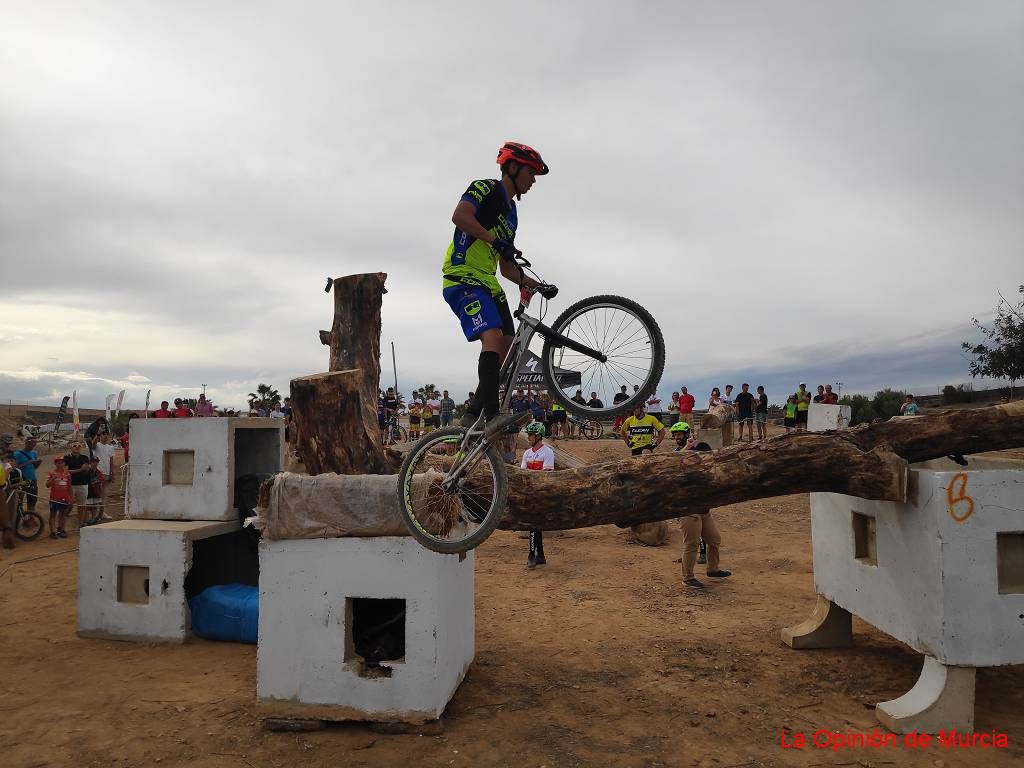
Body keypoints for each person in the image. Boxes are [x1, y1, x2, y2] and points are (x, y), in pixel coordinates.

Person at [443, 142, 551, 435]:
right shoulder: (484, 188)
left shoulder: (512, 215)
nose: (533, 181)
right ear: (513, 167)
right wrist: (494, 240)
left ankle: (474, 411)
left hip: (489, 282)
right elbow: (460, 217)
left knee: (506, 346)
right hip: (462, 276)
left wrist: (533, 284)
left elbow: (506, 267)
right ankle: (492, 415)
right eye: (531, 173)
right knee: (490, 336)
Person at [678, 441, 731, 589]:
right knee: (691, 544)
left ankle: (713, 569)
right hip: (689, 511)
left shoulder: (707, 468)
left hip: (703, 511)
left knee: (714, 540)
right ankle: (688, 578)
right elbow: (674, 458)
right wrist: (687, 447)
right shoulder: (686, 468)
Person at [521, 421, 555, 568]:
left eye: (531, 435)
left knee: (533, 523)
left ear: (539, 436)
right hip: (529, 492)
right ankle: (540, 555)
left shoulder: (548, 452)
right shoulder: (526, 453)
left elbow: (547, 474)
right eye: (528, 434)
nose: (528, 437)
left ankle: (532, 555)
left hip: (541, 493)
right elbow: (521, 473)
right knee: (535, 524)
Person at [63, 441, 91, 526]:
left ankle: (81, 523)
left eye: (79, 446)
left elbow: (87, 469)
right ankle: (62, 526)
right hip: (71, 484)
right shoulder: (66, 458)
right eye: (74, 446)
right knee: (68, 504)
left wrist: (86, 469)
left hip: (83, 483)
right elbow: (66, 471)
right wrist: (80, 470)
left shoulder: (85, 458)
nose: (77, 447)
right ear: (70, 447)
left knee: (82, 506)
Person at [12, 436, 42, 514]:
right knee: (20, 501)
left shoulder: (34, 453)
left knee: (32, 500)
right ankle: (20, 517)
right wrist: (28, 462)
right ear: (27, 443)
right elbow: (14, 468)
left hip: (32, 479)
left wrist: (38, 463)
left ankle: (30, 518)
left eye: (35, 444)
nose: (33, 446)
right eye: (32, 444)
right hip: (22, 480)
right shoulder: (17, 454)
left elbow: (34, 467)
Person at [46, 455, 72, 539]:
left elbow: (69, 486)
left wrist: (71, 497)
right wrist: (53, 478)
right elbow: (47, 485)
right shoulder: (52, 473)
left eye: (62, 462)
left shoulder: (67, 474)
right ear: (55, 463)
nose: (60, 464)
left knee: (63, 514)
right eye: (58, 462)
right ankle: (53, 532)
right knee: (53, 514)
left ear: (64, 463)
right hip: (54, 498)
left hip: (64, 497)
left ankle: (62, 529)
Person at [92, 433, 117, 501]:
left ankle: (102, 509)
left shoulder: (111, 447)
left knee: (104, 493)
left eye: (107, 434)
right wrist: (97, 434)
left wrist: (112, 473)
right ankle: (96, 509)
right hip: (98, 473)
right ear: (100, 436)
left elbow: (111, 461)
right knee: (97, 492)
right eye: (103, 434)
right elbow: (93, 445)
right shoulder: (97, 445)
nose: (105, 436)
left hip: (107, 473)